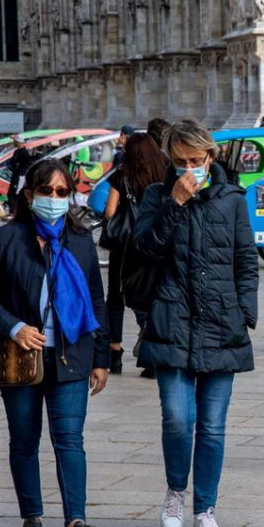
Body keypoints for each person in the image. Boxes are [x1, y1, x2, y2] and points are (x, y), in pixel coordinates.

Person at [0, 159, 110, 527]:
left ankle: (76, 521)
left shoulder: (80, 241)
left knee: (69, 438)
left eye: (61, 192)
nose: (53, 198)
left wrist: (102, 358)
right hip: (20, 357)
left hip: (70, 355)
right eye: (45, 191)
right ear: (29, 195)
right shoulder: (6, 239)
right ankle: (31, 514)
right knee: (24, 439)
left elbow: (96, 302)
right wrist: (14, 326)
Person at [133, 119, 259, 527]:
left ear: (211, 156)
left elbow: (245, 260)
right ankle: (175, 492)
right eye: (180, 161)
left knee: (212, 425)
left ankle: (206, 508)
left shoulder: (233, 200)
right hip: (172, 319)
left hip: (222, 320)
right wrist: (174, 203)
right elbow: (145, 248)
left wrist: (246, 312)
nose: (189, 168)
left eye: (196, 160)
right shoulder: (156, 196)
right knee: (177, 418)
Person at [102, 133, 167, 376]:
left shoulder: (122, 175)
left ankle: (114, 353)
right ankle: (151, 354)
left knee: (116, 297)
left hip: (125, 245)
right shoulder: (164, 174)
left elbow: (110, 211)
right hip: (153, 243)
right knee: (153, 295)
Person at [7, 135, 34, 199]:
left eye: (15, 141)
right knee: (11, 193)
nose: (14, 143)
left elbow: (25, 166)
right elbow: (12, 162)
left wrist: (18, 168)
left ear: (19, 143)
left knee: (16, 193)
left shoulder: (24, 154)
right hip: (15, 175)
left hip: (20, 176)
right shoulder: (17, 151)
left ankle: (15, 207)